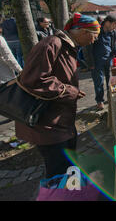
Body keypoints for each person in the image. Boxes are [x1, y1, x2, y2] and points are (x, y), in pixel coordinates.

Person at [15, 13, 100, 179]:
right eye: (94, 36)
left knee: (68, 167)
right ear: (83, 32)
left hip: (61, 121)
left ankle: (71, 192)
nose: (94, 40)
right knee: (58, 171)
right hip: (48, 125)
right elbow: (34, 80)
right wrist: (70, 91)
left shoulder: (68, 46)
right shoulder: (51, 44)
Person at [82, 15, 116, 110]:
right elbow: (87, 48)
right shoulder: (95, 30)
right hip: (96, 60)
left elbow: (114, 46)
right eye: (114, 25)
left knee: (110, 80)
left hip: (108, 59)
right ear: (107, 22)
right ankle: (99, 100)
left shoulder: (112, 32)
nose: (114, 27)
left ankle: (110, 97)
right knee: (98, 82)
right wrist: (90, 63)